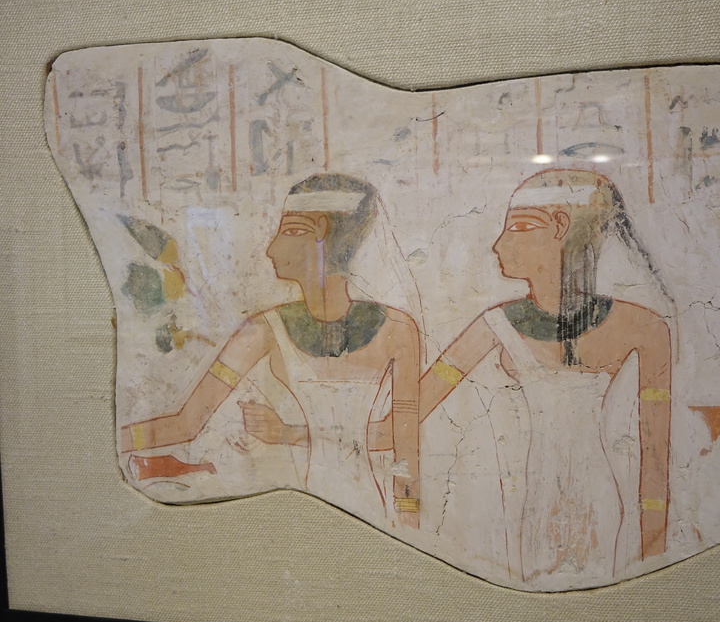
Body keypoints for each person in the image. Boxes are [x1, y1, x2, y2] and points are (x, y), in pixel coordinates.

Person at [119, 173, 421, 528]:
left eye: (289, 231)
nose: (271, 249)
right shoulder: (264, 329)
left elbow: (400, 441)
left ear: (321, 232)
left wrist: (410, 519)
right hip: (293, 511)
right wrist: (109, 442)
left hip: (371, 511)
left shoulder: (398, 330)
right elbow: (187, 423)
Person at [421, 168, 672, 589]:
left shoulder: (644, 327)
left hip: (598, 498)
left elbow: (656, 456)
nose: (499, 244)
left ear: (559, 227)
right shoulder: (497, 323)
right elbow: (417, 405)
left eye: (519, 227)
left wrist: (655, 558)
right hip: (529, 500)